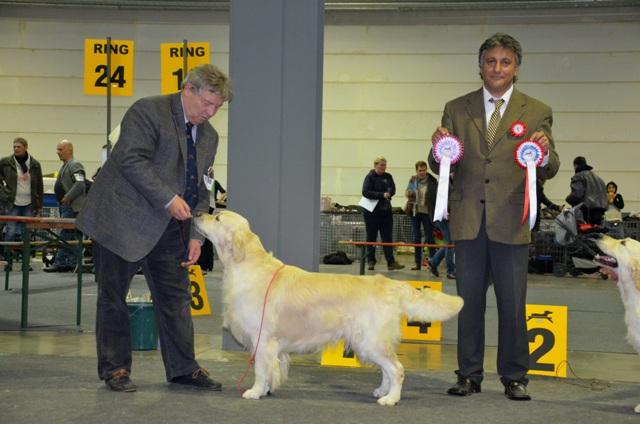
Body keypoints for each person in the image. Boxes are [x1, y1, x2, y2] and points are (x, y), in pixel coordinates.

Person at [76, 64, 232, 392]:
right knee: (112, 297)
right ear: (188, 89)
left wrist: (195, 236)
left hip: (170, 229)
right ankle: (115, 369)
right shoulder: (148, 111)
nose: (211, 112)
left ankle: (183, 369)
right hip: (122, 219)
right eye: (206, 103)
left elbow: (202, 188)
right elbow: (130, 159)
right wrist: (168, 199)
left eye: (218, 107)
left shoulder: (210, 136)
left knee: (176, 299)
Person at [429, 33, 560, 401]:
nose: (497, 68)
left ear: (517, 67)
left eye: (505, 62)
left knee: (512, 303)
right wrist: (437, 144)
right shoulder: (456, 108)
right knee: (468, 303)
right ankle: (468, 375)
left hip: (512, 220)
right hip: (469, 218)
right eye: (490, 61)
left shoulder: (537, 110)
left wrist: (545, 154)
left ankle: (515, 376)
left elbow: (549, 168)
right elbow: (443, 160)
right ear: (480, 66)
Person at [43, 140, 87, 272]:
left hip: (73, 206)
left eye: (60, 149)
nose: (58, 152)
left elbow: (80, 184)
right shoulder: (66, 165)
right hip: (68, 206)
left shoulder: (75, 165)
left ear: (69, 150)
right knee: (72, 236)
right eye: (57, 149)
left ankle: (61, 262)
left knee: (65, 235)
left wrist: (67, 197)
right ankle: (71, 263)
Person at [361, 156, 404, 271]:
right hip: (371, 214)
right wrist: (381, 195)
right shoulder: (369, 177)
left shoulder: (388, 176)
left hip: (386, 213)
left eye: (385, 165)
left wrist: (389, 193)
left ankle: (391, 262)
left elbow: (392, 189)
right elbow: (365, 192)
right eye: (381, 165)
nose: (383, 167)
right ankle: (370, 261)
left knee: (387, 238)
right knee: (371, 237)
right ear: (375, 165)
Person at [0, 137, 44, 242]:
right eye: (14, 147)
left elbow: (39, 186)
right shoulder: (5, 162)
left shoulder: (35, 165)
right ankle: (8, 256)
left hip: (29, 204)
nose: (16, 149)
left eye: (18, 147)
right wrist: (3, 192)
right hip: (12, 203)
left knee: (27, 232)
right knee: (10, 231)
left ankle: (25, 256)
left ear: (26, 147)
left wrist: (40, 205)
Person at [405, 161, 437, 271]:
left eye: (424, 170)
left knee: (429, 238)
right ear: (416, 171)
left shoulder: (432, 181)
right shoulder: (413, 180)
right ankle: (417, 264)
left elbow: (436, 197)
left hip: (428, 213)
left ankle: (434, 263)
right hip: (415, 212)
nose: (422, 172)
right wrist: (409, 193)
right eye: (420, 170)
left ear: (426, 169)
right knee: (416, 238)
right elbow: (407, 192)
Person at [565, 156, 607, 226]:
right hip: (600, 211)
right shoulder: (598, 178)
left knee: (586, 234)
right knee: (597, 233)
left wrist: (568, 199)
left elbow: (577, 194)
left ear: (575, 165)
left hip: (587, 211)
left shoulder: (579, 176)